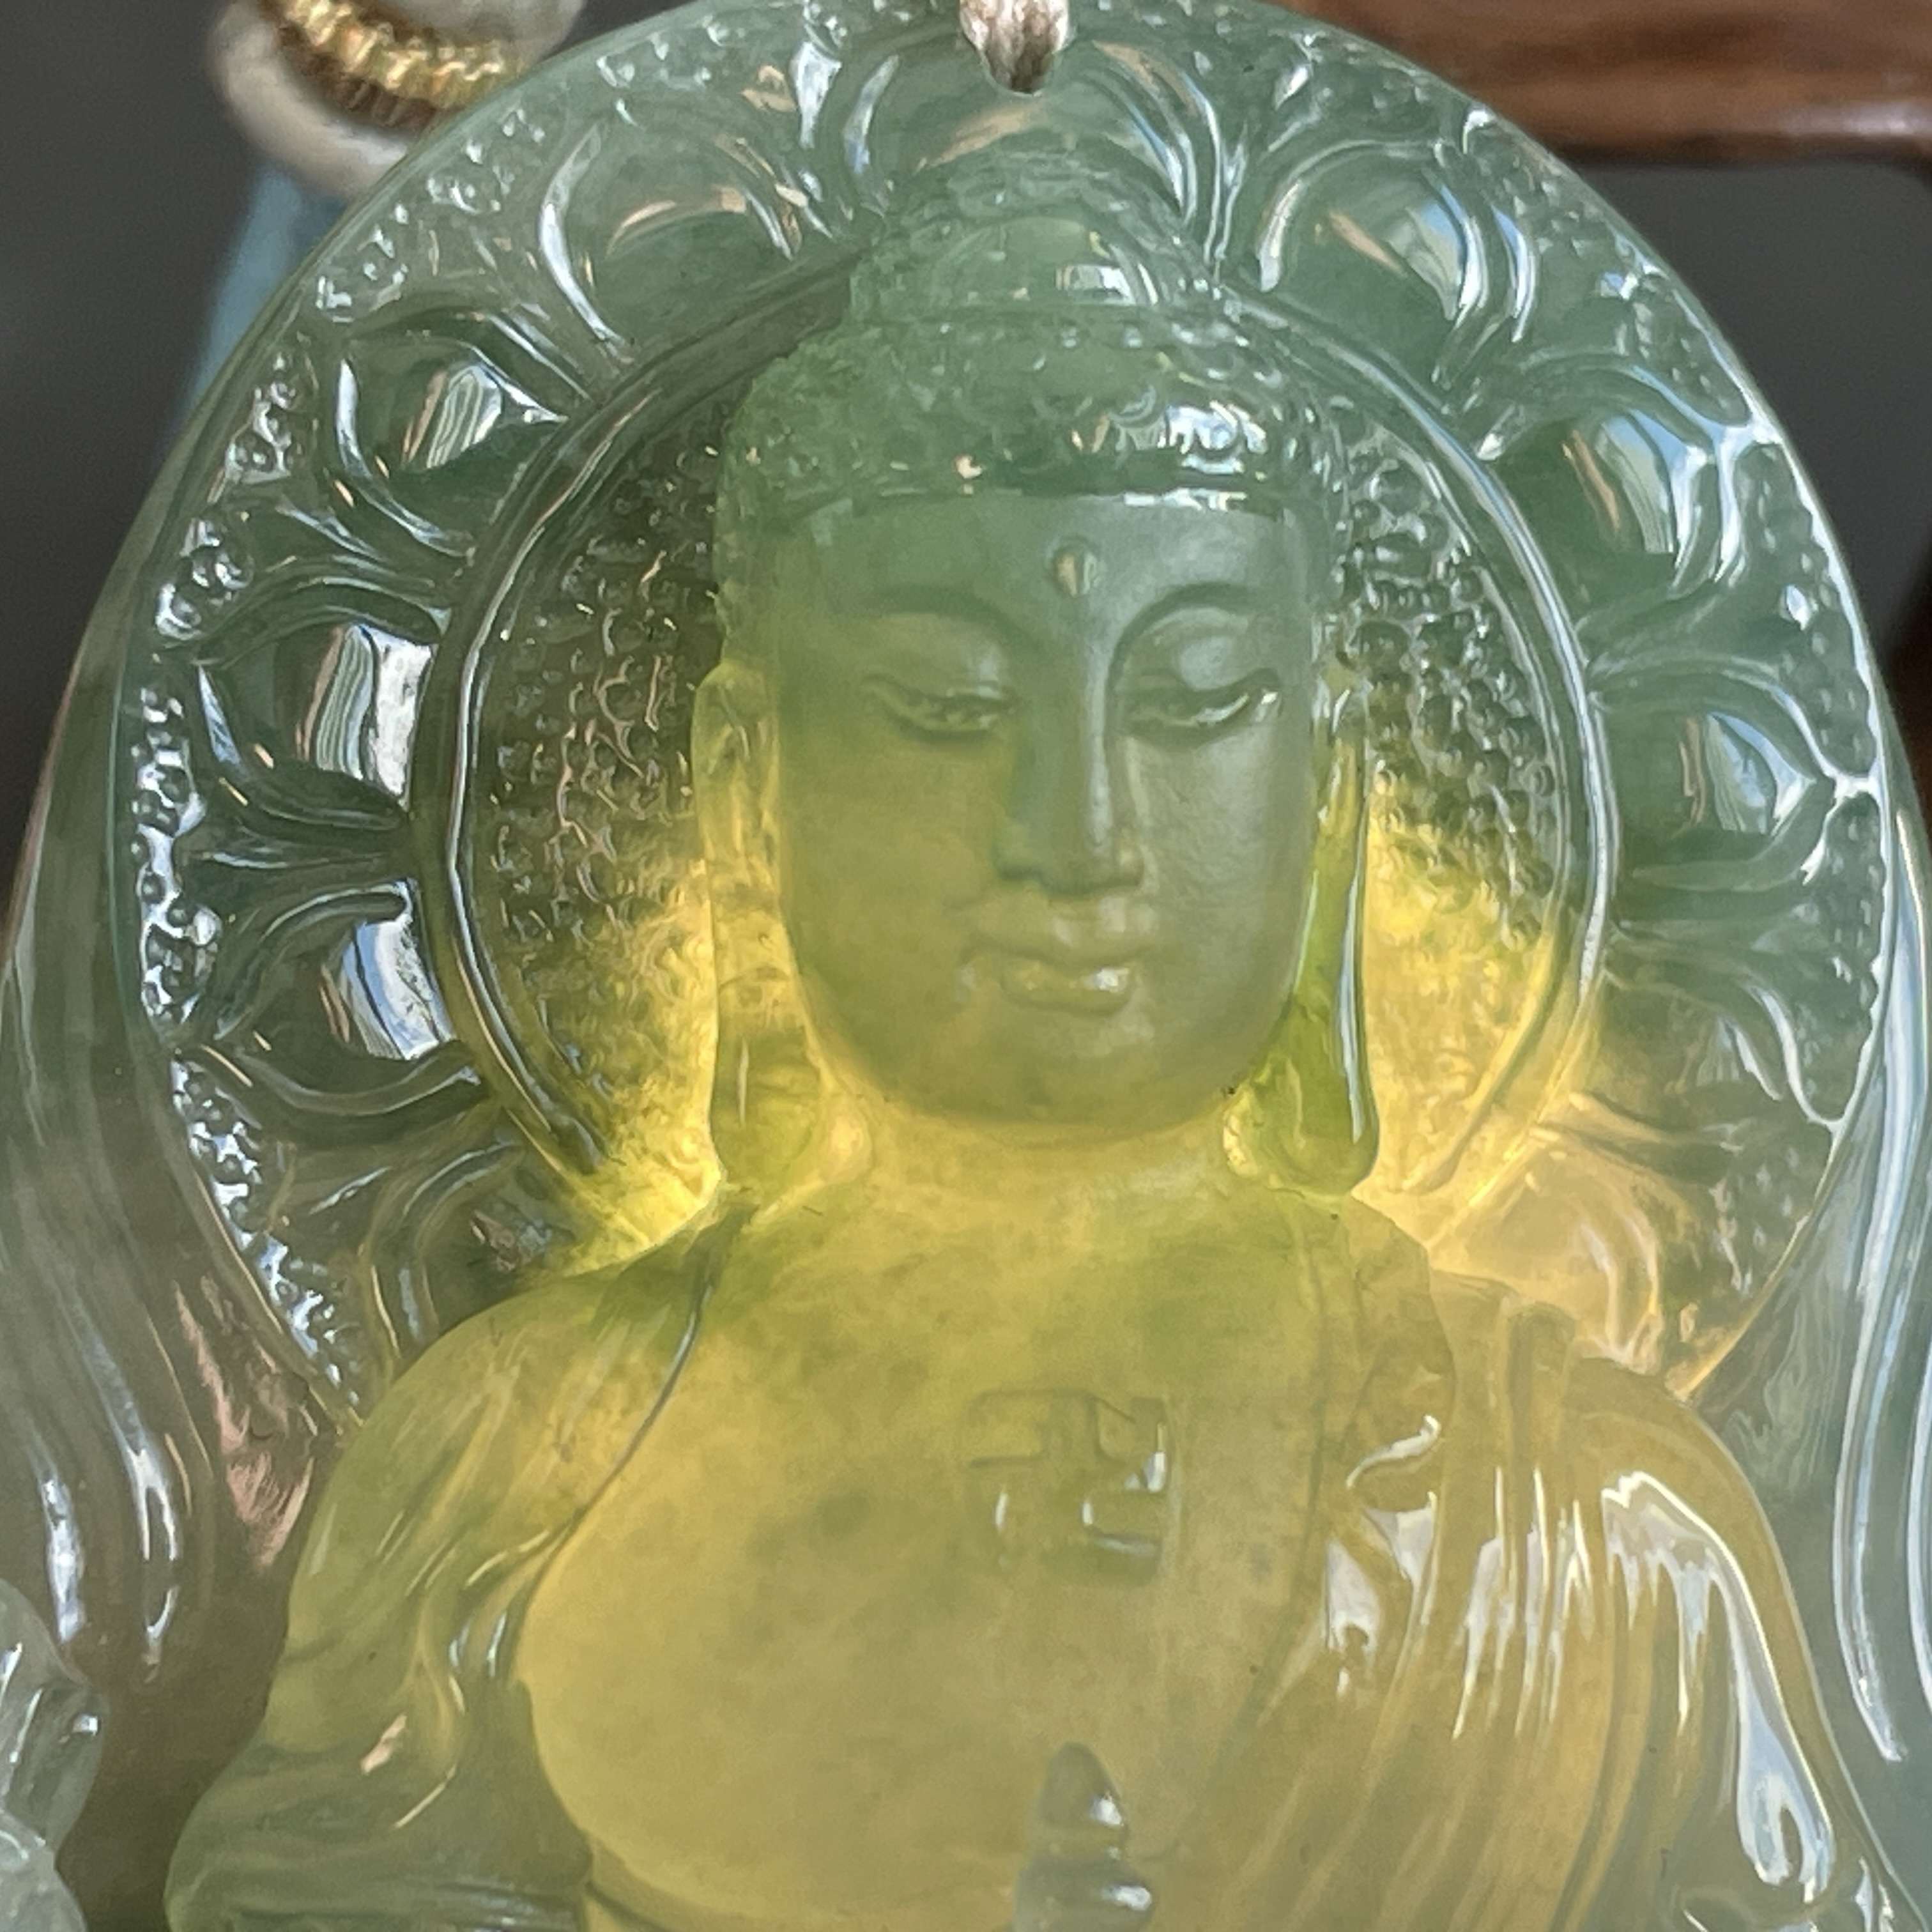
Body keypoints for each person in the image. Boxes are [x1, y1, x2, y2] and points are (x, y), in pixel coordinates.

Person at [165, 148, 1912, 1932]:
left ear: (1329, 796)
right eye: (947, 706)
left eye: (1194, 700)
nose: (1076, 836)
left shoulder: (1592, 1529)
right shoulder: (523, 1467)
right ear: (749, 793)